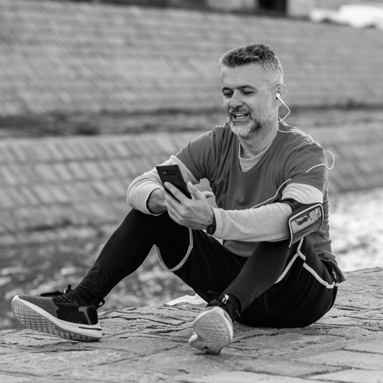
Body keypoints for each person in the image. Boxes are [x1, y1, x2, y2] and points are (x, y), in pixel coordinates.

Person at [11, 43, 345, 355]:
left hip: (303, 293)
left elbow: (298, 216)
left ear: (277, 94)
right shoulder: (214, 143)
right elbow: (139, 186)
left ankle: (224, 310)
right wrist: (163, 200)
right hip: (239, 287)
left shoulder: (305, 152)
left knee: (282, 225)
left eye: (246, 91)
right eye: (227, 92)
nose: (234, 102)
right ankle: (81, 305)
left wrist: (212, 220)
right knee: (155, 207)